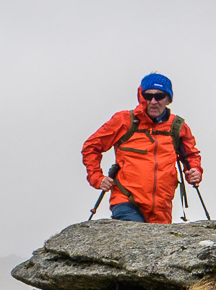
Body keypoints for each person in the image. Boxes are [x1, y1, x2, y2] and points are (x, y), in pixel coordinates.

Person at [82, 73, 203, 223]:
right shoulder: (124, 121)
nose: (153, 101)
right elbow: (91, 146)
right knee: (134, 235)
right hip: (126, 201)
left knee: (156, 239)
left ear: (168, 99)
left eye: (159, 96)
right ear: (141, 96)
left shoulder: (177, 127)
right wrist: (97, 178)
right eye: (148, 96)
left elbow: (191, 155)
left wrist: (195, 171)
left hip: (162, 208)